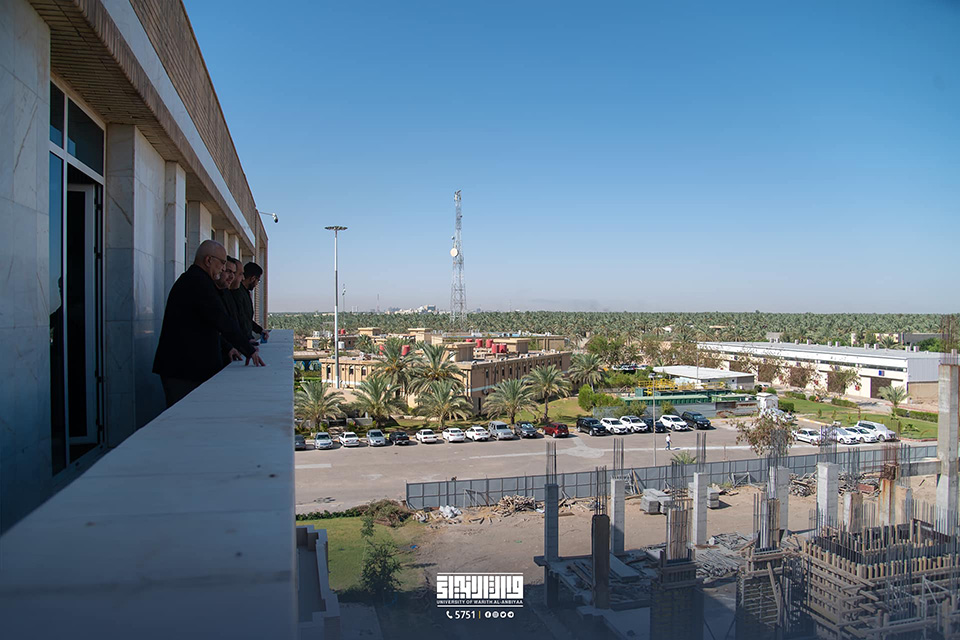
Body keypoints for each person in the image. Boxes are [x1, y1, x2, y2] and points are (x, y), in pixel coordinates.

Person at [153, 240, 265, 408]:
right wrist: (248, 350)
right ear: (208, 260)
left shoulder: (195, 280)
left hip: (185, 369)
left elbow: (209, 324)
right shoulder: (198, 283)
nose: (223, 268)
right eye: (222, 263)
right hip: (183, 370)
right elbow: (220, 320)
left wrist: (231, 347)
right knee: (185, 416)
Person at [232, 261, 269, 341]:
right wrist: (245, 341)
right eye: (258, 280)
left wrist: (260, 330)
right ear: (253, 278)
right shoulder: (238, 292)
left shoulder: (244, 292)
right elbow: (240, 320)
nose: (257, 283)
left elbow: (247, 320)